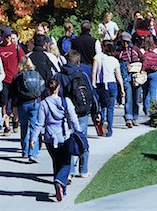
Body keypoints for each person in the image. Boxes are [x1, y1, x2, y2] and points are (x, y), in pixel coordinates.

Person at [29, 79, 81, 202]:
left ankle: (60, 187)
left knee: (56, 162)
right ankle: (60, 182)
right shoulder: (66, 101)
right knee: (66, 163)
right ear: (58, 88)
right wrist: (78, 132)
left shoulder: (43, 104)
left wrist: (33, 139)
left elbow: (39, 123)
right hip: (64, 136)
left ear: (47, 89)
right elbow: (73, 119)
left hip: (50, 138)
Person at [54, 50, 98, 181]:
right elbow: (91, 93)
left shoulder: (58, 76)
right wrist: (96, 111)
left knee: (67, 141)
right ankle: (83, 169)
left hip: (64, 112)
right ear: (78, 62)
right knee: (81, 139)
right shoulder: (82, 74)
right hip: (81, 111)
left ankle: (69, 171)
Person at [10, 56, 44, 162]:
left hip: (22, 104)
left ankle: (25, 150)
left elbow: (13, 94)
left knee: (24, 127)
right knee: (35, 128)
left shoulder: (17, 77)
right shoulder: (37, 75)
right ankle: (33, 153)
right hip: (35, 103)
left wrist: (13, 109)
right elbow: (42, 88)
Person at [92, 41, 125, 136]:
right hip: (112, 83)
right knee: (110, 108)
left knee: (101, 106)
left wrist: (93, 84)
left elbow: (94, 72)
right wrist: (122, 88)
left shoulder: (97, 57)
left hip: (100, 84)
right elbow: (118, 76)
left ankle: (101, 125)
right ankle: (109, 130)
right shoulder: (114, 60)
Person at [0, 26, 25, 136]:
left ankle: (15, 121)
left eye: (10, 36)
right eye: (6, 36)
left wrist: (20, 73)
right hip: (4, 80)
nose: (8, 38)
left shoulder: (16, 48)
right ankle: (6, 126)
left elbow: (23, 61)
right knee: (5, 103)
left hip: (14, 79)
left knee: (15, 103)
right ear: (3, 37)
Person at [118, 31, 143, 128]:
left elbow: (143, 58)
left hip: (136, 75)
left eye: (126, 41)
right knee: (128, 97)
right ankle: (128, 117)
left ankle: (135, 117)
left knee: (136, 98)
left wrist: (142, 69)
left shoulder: (135, 49)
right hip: (126, 76)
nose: (125, 43)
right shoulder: (120, 51)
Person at [140, 36, 157, 116]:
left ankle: (146, 111)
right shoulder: (155, 50)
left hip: (145, 73)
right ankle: (153, 110)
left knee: (145, 93)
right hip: (154, 72)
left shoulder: (142, 50)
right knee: (153, 92)